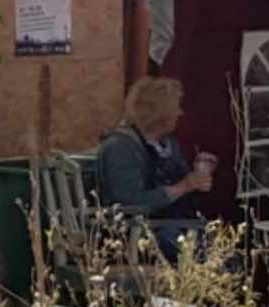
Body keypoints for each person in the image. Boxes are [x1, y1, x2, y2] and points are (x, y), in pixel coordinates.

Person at [91, 75, 215, 258]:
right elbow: (129, 202)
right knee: (191, 249)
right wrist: (183, 186)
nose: (180, 113)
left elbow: (182, 189)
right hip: (135, 235)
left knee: (224, 250)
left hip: (173, 226)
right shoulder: (120, 147)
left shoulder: (167, 143)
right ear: (159, 112)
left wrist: (197, 178)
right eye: (176, 107)